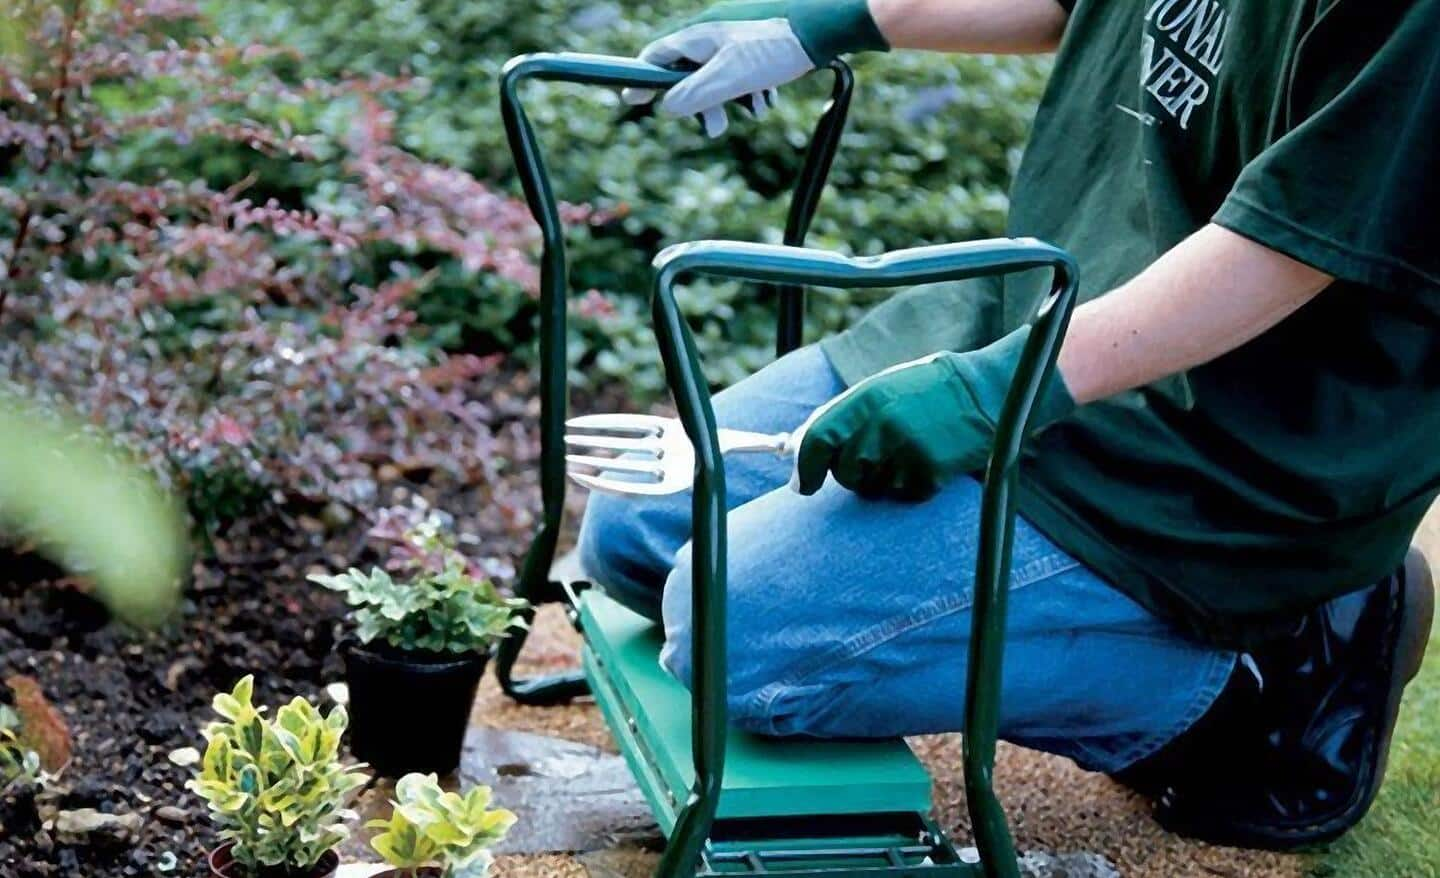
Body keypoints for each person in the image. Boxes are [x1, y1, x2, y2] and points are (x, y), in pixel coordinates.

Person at [578, 0, 1438, 849]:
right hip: (1046, 300)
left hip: (1217, 439)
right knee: (634, 530)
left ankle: (1261, 679)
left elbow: (1291, 247)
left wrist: (993, 392)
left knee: (732, 633)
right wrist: (818, 25)